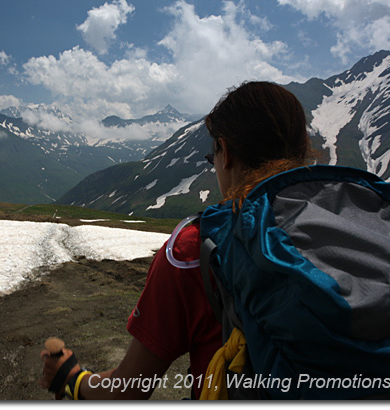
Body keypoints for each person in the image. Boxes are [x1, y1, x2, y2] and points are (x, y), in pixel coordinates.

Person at [38, 81, 315, 400]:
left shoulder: (196, 250)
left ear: (226, 154)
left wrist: (72, 378)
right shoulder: (363, 228)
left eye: (213, 157)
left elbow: (127, 390)